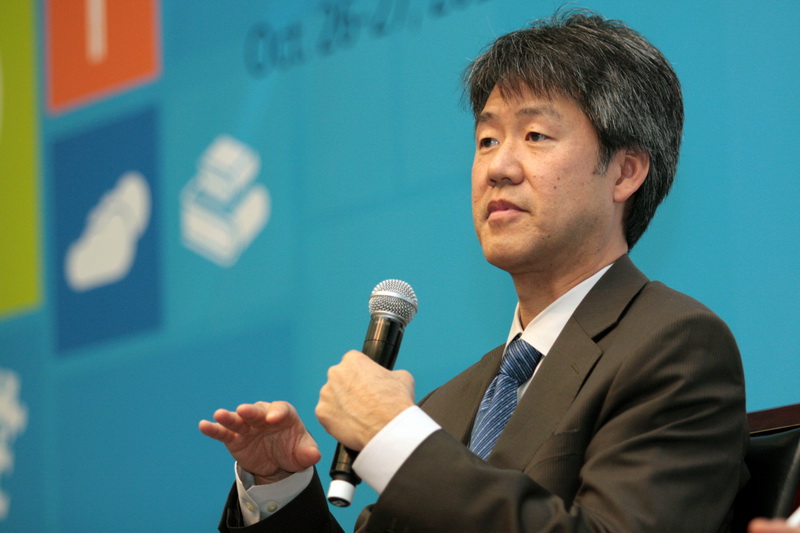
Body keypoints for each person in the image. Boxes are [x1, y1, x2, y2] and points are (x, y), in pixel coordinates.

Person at [199, 9, 749, 532]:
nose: (498, 168)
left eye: (535, 136)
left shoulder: (675, 349)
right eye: (487, 141)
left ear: (625, 172)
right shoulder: (449, 404)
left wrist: (399, 438)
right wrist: (279, 489)